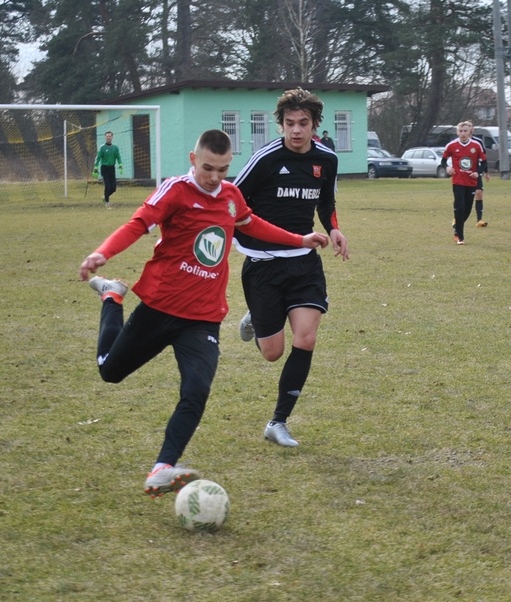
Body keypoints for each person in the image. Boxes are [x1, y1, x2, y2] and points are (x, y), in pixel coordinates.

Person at [78, 129, 329, 496]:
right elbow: (138, 225)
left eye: (223, 170)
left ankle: (163, 466)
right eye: (208, 168)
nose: (215, 177)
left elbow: (250, 224)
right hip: (160, 306)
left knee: (196, 389)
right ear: (194, 160)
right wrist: (103, 253)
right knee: (110, 371)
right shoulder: (175, 190)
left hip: (203, 317)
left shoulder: (230, 195)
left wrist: (299, 239)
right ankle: (113, 297)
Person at [233, 87, 350, 448]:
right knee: (272, 353)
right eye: (289, 123)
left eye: (303, 123)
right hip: (264, 265)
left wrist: (333, 227)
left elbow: (326, 200)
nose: (296, 131)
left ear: (315, 125)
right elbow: (232, 201)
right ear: (280, 124)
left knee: (306, 338)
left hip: (304, 264)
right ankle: (256, 314)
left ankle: (278, 421)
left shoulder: (326, 159)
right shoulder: (265, 159)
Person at [441, 121, 486, 245]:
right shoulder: (451, 145)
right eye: (460, 131)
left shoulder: (476, 145)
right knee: (459, 207)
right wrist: (447, 168)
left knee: (467, 209)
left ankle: (456, 225)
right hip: (458, 181)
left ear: (470, 131)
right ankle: (460, 236)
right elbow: (443, 161)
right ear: (457, 132)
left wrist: (478, 172)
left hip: (471, 181)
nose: (463, 133)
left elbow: (484, 162)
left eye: (465, 131)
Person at [92, 131, 123, 209]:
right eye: (107, 136)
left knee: (114, 188)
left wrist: (120, 165)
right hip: (104, 168)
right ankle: (107, 203)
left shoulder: (115, 148)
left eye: (109, 136)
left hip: (112, 168)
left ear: (112, 137)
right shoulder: (102, 147)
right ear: (105, 137)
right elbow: (98, 158)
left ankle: (104, 197)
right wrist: (95, 167)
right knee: (108, 186)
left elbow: (118, 157)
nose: (108, 137)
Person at [471, 125, 490, 227]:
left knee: (479, 193)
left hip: (476, 171)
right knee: (464, 196)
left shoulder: (478, 142)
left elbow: (484, 159)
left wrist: (486, 172)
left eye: (470, 128)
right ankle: (457, 218)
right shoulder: (457, 142)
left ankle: (479, 220)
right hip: (463, 173)